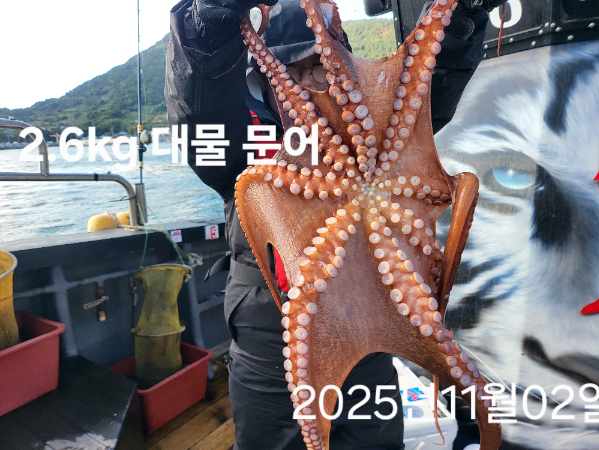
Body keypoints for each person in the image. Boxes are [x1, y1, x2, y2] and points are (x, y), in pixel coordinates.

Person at [165, 1, 507, 449]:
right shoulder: (238, 143)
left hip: (368, 320)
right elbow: (196, 116)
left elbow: (427, 90)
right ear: (263, 80)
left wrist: (461, 17)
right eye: (290, 70)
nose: (308, 84)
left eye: (320, 67)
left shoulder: (379, 132)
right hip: (271, 332)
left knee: (373, 439)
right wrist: (206, 25)